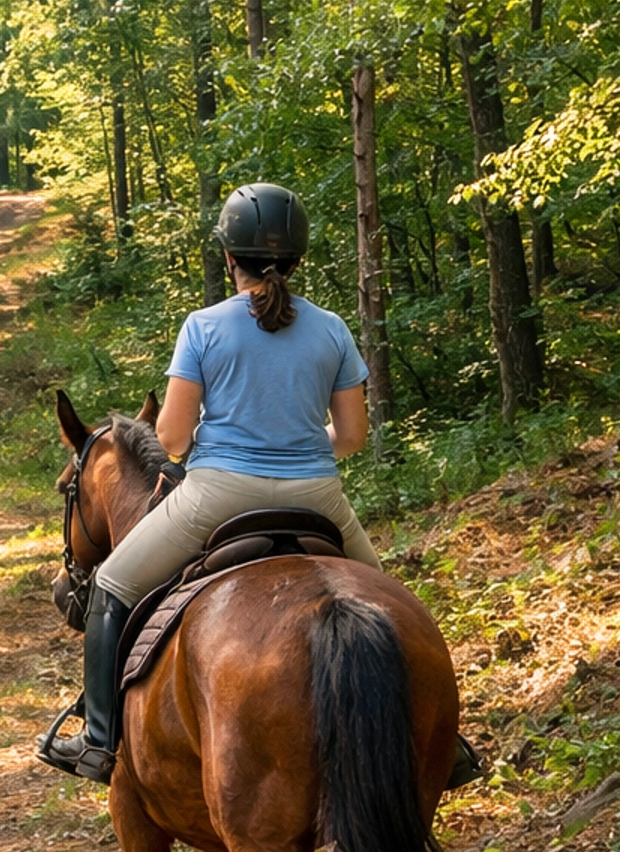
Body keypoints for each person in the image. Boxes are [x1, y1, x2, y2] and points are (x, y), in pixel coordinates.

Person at [38, 181, 383, 784]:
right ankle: (440, 740)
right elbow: (352, 437)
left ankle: (96, 739)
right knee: (383, 602)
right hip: (319, 497)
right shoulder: (331, 329)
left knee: (115, 584)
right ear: (297, 258)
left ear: (229, 257)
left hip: (218, 496)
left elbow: (170, 438)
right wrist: (297, 449)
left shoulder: (202, 326)